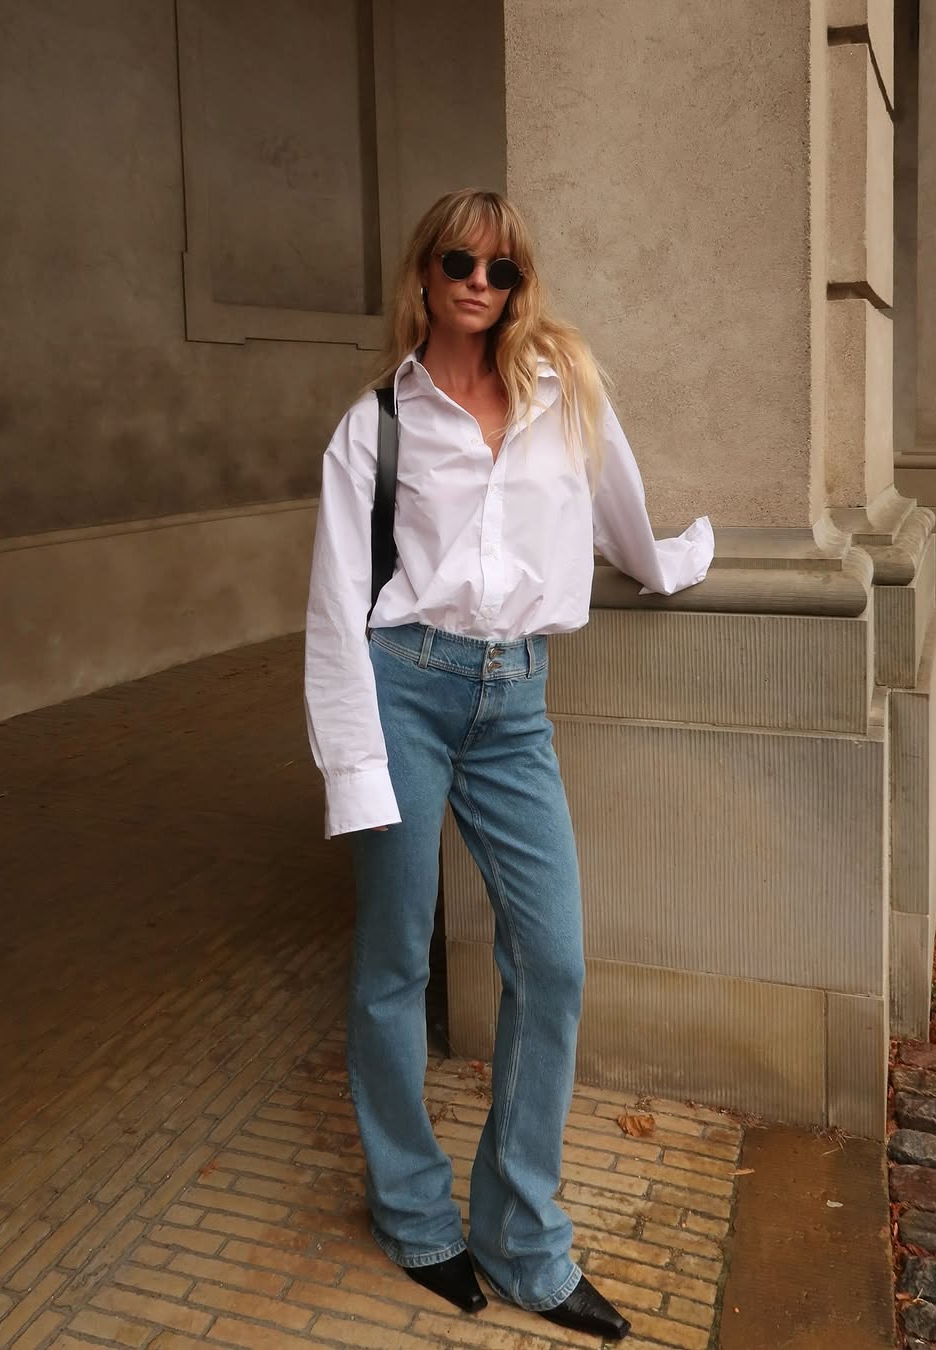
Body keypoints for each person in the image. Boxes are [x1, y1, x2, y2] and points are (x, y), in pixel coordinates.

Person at [304, 188, 713, 1342]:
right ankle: (414, 1212)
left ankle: (523, 1240)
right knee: (393, 959)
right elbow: (337, 610)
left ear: (520, 283)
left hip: (516, 697)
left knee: (555, 961)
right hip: (402, 687)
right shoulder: (376, 424)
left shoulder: (565, 396)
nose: (480, 282)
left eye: (502, 267)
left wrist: (675, 562)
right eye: (458, 261)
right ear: (424, 275)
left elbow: (622, 524)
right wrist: (354, 768)